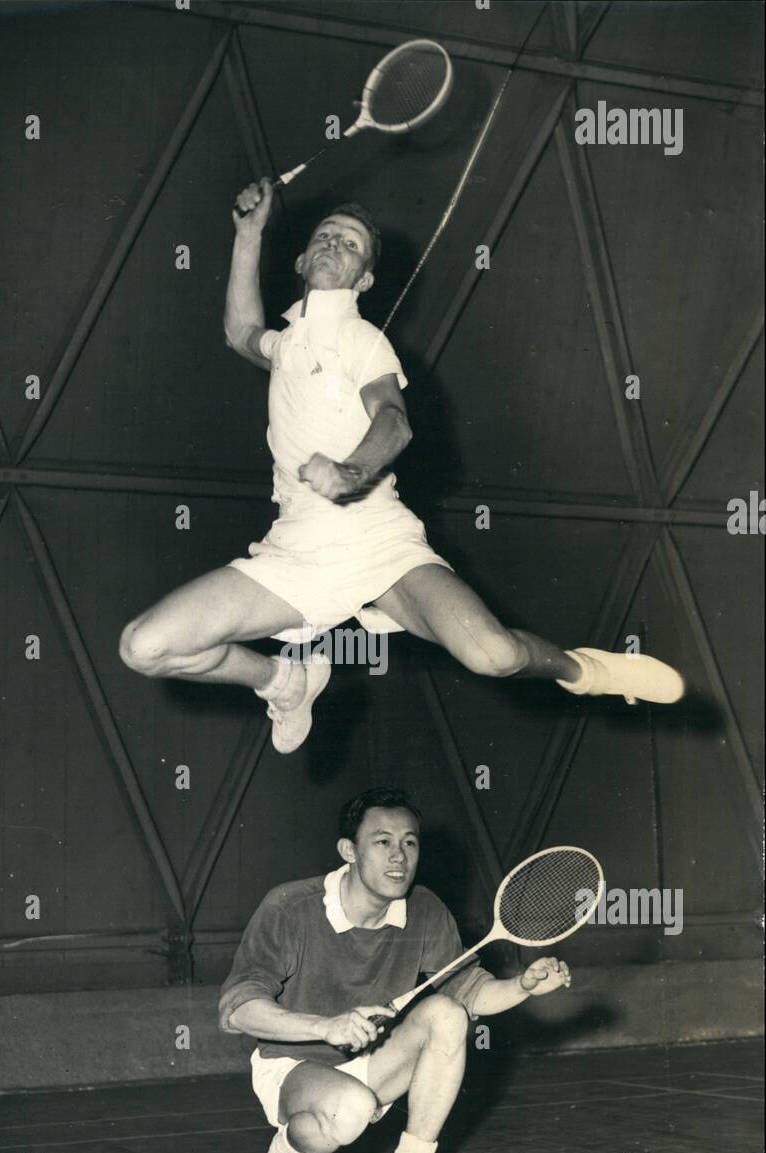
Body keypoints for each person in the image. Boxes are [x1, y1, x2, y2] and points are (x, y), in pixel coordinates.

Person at [120, 182, 684, 752]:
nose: (333, 245)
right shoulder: (288, 344)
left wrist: (351, 472)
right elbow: (240, 332)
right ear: (300, 258)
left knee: (495, 655)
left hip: (376, 541)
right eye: (325, 237)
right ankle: (284, 681)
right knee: (145, 646)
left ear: (363, 279)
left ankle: (589, 672)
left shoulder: (364, 342)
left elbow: (394, 419)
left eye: (350, 244)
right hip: (296, 552)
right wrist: (248, 235)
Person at [219, 786, 572, 1153]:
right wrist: (324, 1027)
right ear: (348, 850)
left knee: (448, 1013)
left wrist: (523, 986)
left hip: (374, 1057)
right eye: (382, 841)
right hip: (292, 1062)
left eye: (409, 842)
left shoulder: (424, 910)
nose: (399, 856)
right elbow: (239, 1007)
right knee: (349, 1112)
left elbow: (469, 989)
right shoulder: (291, 907)